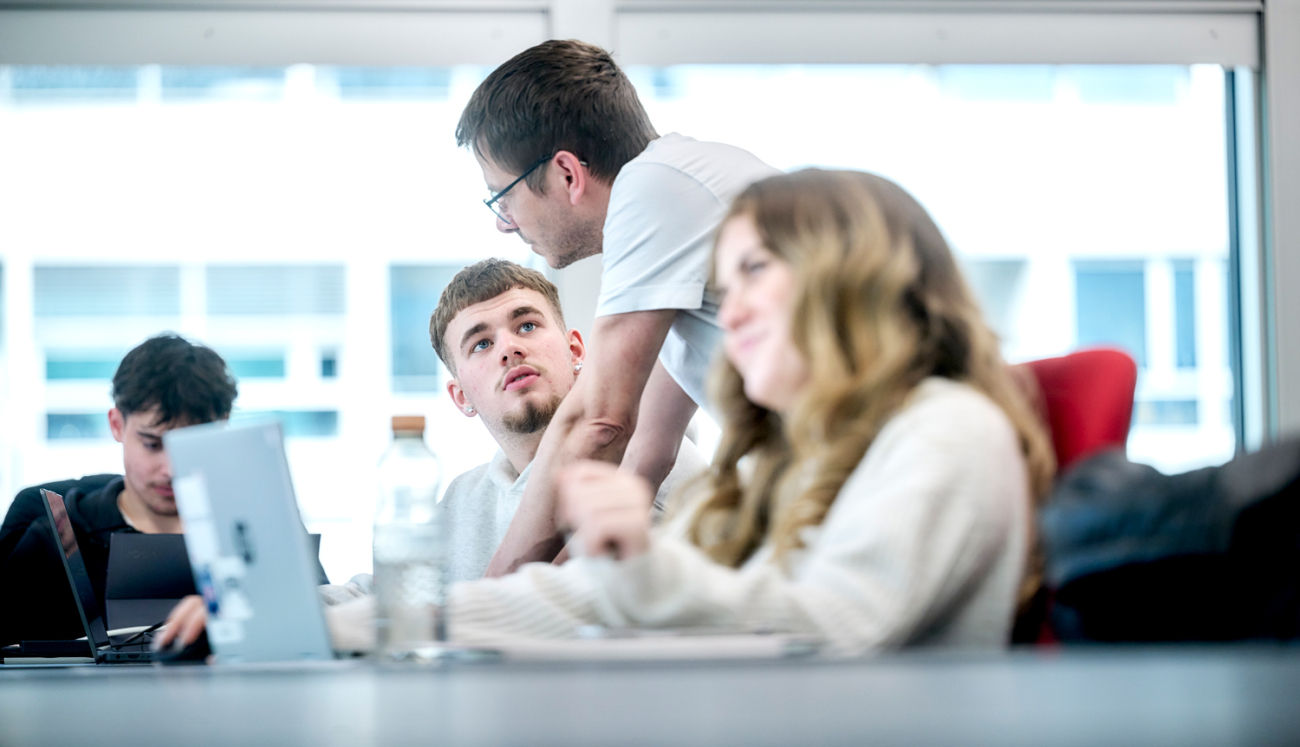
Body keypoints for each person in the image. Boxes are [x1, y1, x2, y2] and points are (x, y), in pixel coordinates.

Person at [322, 169, 1056, 653]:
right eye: (723, 285)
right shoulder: (802, 461)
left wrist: (638, 579)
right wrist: (340, 626)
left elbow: (836, 625)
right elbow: (592, 599)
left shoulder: (946, 428)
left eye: (753, 273)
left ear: (852, 275)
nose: (727, 314)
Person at [154, 260, 707, 648]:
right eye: (481, 343)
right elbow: (380, 593)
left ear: (577, 350)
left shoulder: (650, 468)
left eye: (528, 324)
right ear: (460, 396)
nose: (510, 347)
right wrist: (252, 609)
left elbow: (555, 608)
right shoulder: (462, 496)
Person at [457, 39, 779, 577]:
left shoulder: (655, 190)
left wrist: (487, 595)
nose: (503, 223)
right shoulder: (674, 204)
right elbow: (647, 455)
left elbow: (599, 420)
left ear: (566, 173)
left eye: (503, 196)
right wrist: (541, 588)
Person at [0, 334, 237, 646]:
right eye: (152, 444)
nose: (170, 469)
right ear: (116, 425)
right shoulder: (54, 535)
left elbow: (320, 614)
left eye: (190, 447)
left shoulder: (253, 529)